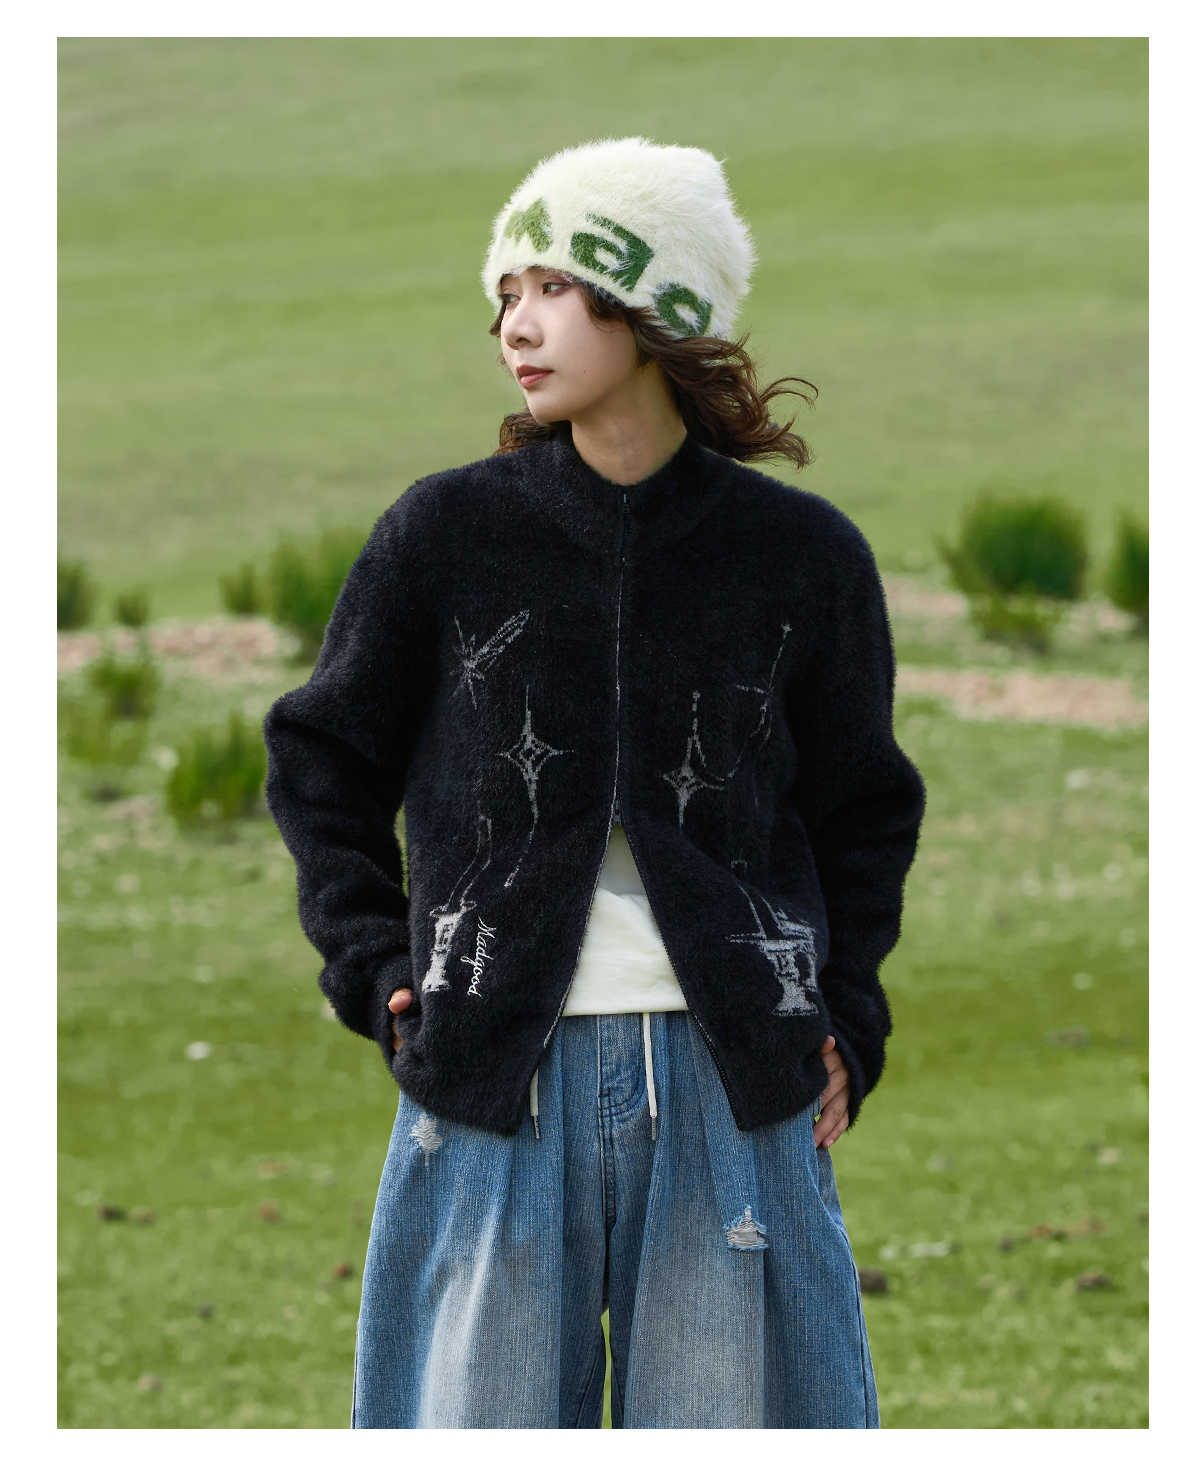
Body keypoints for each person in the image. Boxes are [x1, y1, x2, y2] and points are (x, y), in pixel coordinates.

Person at [263, 136, 925, 1430]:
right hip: (488, 1079)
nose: (518, 324)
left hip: (734, 1084)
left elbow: (863, 811)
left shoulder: (802, 555)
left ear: (656, 308)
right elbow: (321, 756)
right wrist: (375, 964)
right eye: (505, 295)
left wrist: (845, 1014)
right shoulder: (444, 534)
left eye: (556, 288)